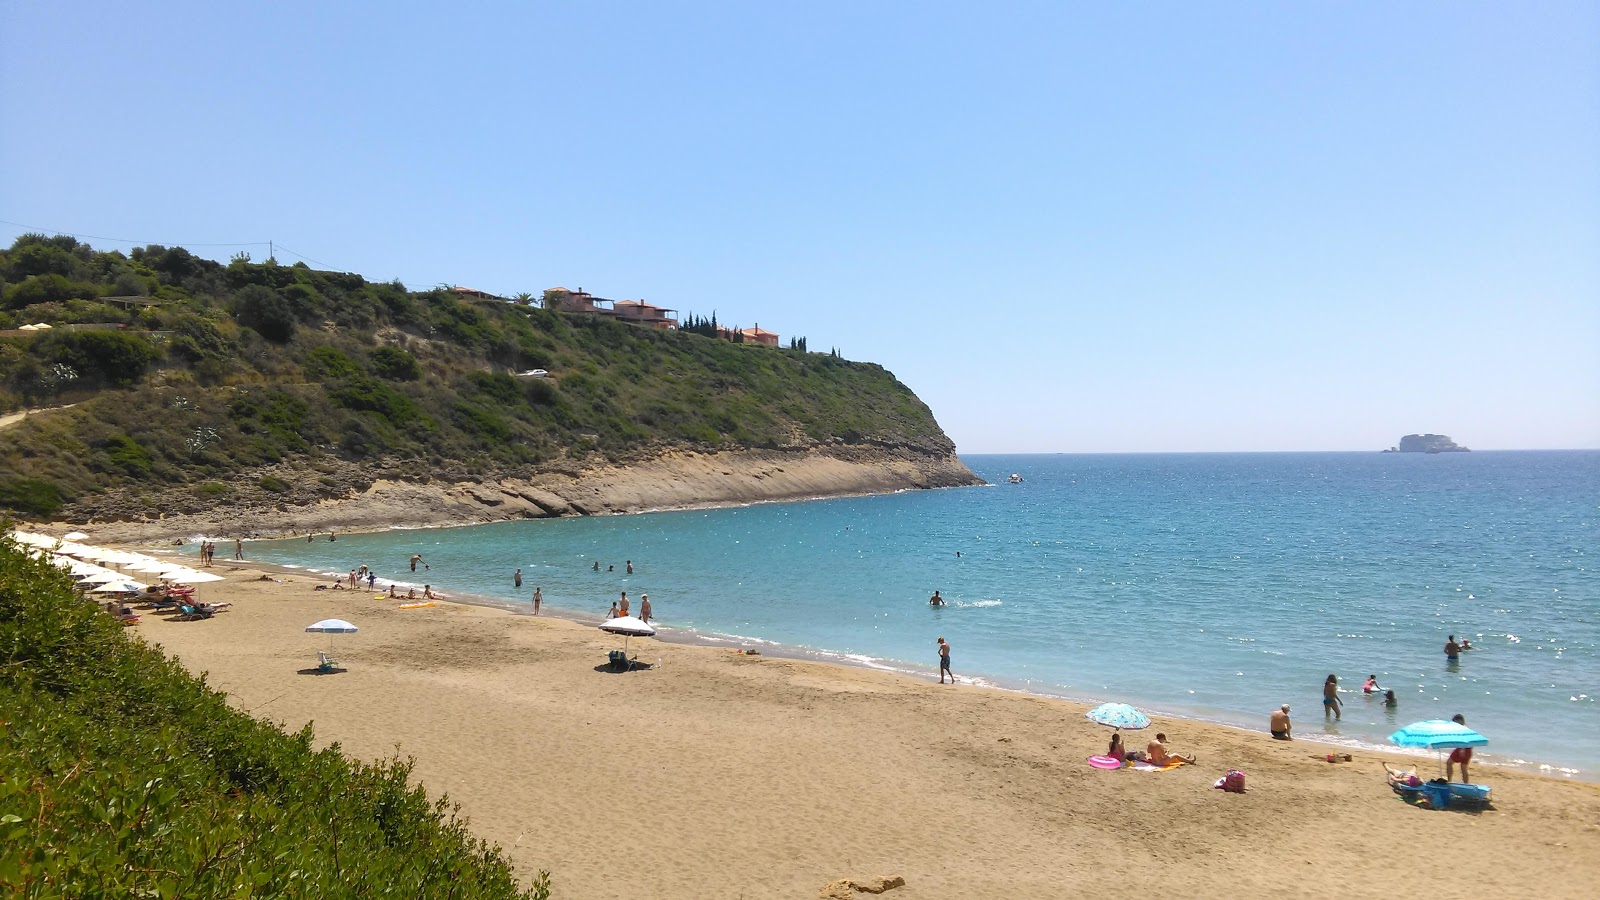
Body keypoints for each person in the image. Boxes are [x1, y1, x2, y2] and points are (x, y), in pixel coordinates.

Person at [1447, 714, 1473, 782]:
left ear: (1460, 721)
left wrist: (1462, 749)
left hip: (1462, 749)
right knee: (1463, 768)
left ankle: (1449, 781)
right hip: (1468, 749)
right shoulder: (1466, 728)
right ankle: (1466, 784)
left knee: (1449, 763)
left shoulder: (1463, 728)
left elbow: (1464, 739)